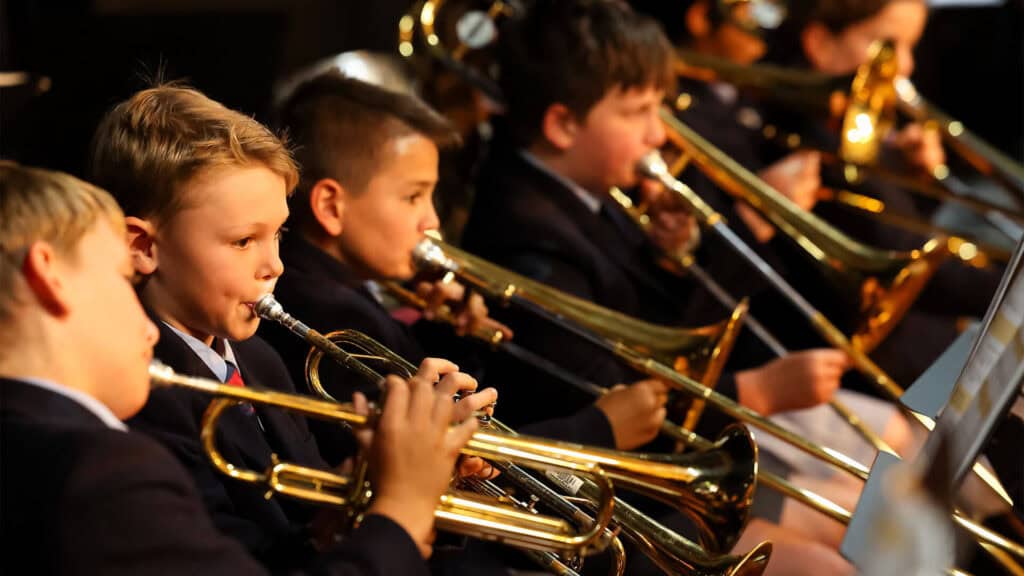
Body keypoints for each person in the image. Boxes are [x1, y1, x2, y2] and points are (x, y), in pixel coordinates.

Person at [87, 85, 493, 570]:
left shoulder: (259, 359)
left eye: (276, 233)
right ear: (143, 246)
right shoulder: (143, 397)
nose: (274, 265)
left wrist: (405, 473)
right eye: (242, 241)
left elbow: (306, 524)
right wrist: (397, 502)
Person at [1, 161, 474, 575]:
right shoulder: (102, 470)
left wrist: (344, 514)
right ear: (49, 275)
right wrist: (401, 510)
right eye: (123, 281)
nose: (146, 325)